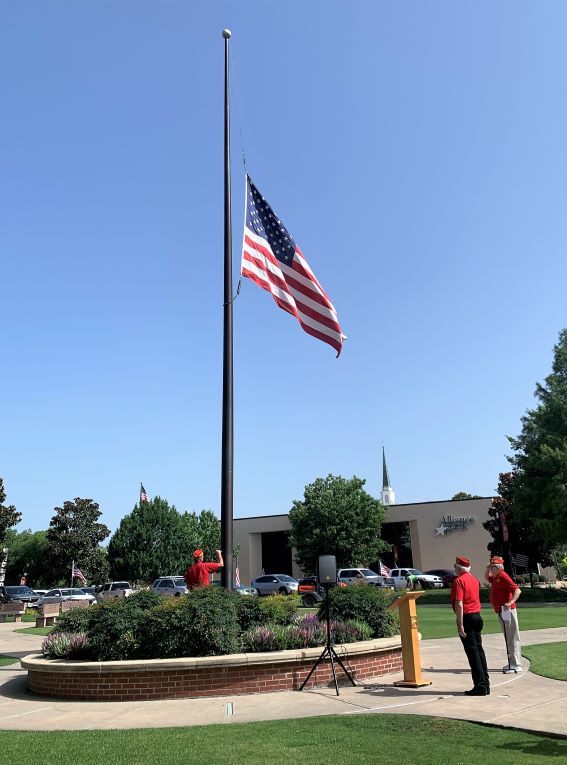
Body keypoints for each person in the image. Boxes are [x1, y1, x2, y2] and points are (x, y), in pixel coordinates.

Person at [451, 555, 490, 696]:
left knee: (473, 654)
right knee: (479, 651)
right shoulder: (475, 580)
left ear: (459, 568)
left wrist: (460, 624)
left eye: (455, 567)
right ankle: (485, 683)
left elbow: (459, 603)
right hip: (477, 616)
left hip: (467, 617)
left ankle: (480, 685)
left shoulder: (459, 581)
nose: (454, 569)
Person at [484, 556, 522, 673]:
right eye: (491, 567)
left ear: (499, 567)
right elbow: (486, 578)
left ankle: (515, 664)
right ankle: (512, 663)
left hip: (508, 611)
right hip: (502, 612)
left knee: (512, 637)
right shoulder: (496, 577)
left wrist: (510, 602)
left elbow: (517, 590)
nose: (492, 569)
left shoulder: (503, 576)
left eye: (494, 567)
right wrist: (487, 567)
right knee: (508, 637)